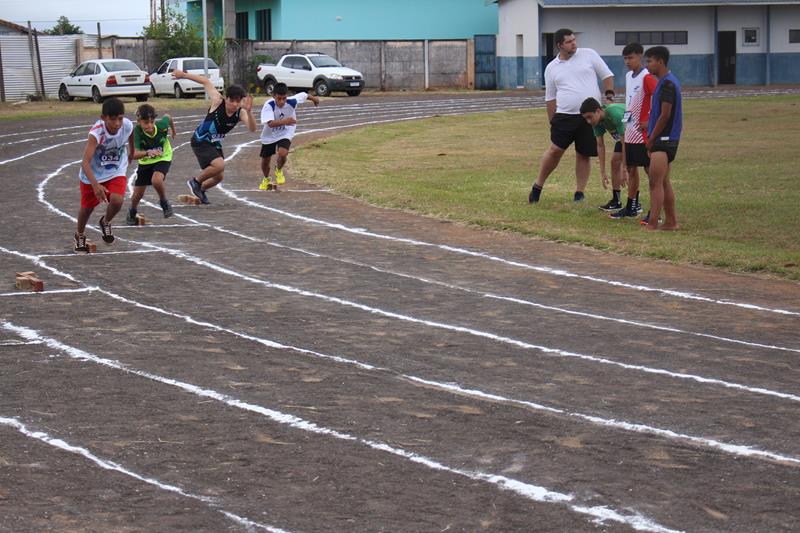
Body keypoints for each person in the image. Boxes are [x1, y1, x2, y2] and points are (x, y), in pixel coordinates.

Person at [529, 28, 614, 204]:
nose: (574, 43)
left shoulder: (588, 54)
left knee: (583, 154)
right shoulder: (551, 67)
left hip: (589, 117)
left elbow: (607, 75)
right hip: (565, 116)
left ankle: (579, 192)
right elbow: (550, 98)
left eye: (574, 40)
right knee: (554, 151)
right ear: (559, 45)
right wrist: (552, 121)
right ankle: (537, 187)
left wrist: (609, 97)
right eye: (569, 41)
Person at [176, 69, 256, 204]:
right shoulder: (218, 101)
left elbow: (253, 129)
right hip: (201, 140)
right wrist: (183, 75)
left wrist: (249, 112)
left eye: (238, 101)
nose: (235, 104)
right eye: (232, 101)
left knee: (219, 177)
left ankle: (200, 189)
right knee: (219, 165)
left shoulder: (241, 113)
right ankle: (195, 182)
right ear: (226, 98)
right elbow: (205, 81)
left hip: (214, 143)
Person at [74, 97, 134, 253]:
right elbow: (85, 162)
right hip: (92, 174)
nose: (117, 123)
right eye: (112, 119)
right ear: (103, 118)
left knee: (117, 200)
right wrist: (95, 185)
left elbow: (131, 134)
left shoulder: (126, 125)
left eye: (120, 118)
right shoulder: (96, 133)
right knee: (87, 209)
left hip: (115, 169)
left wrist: (131, 153)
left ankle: (105, 221)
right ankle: (80, 234)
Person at [613, 42, 657, 220]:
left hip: (643, 134)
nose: (627, 61)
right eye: (625, 58)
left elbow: (659, 99)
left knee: (650, 171)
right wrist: (625, 125)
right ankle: (631, 206)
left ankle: (655, 211)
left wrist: (650, 121)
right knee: (631, 169)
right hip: (631, 132)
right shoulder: (629, 76)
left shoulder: (647, 77)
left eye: (630, 57)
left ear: (640, 56)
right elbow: (629, 104)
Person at [644, 46, 682, 231]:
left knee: (655, 181)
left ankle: (652, 223)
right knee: (664, 181)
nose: (647, 65)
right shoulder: (664, 82)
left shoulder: (667, 84)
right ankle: (671, 222)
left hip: (664, 139)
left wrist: (651, 138)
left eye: (649, 61)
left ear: (660, 61)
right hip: (665, 137)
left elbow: (665, 115)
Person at [259, 82, 319, 191]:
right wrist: (286, 121)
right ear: (273, 96)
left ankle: (279, 170)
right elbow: (270, 123)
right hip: (270, 134)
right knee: (265, 160)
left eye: (284, 98)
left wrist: (314, 99)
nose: (282, 101)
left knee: (283, 153)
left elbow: (304, 95)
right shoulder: (269, 105)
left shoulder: (292, 101)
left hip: (285, 132)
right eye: (279, 99)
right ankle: (266, 178)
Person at [126, 104, 177, 224]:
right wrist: (148, 152)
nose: (149, 125)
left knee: (156, 180)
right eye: (145, 122)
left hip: (163, 157)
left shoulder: (161, 126)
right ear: (139, 121)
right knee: (137, 194)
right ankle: (132, 211)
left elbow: (168, 117)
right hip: (145, 161)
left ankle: (164, 202)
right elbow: (133, 155)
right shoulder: (136, 132)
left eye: (152, 122)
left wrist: (173, 130)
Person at [579, 98, 627, 212]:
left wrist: (625, 169)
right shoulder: (597, 122)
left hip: (635, 133)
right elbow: (600, 145)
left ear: (598, 111)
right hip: (623, 138)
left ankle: (634, 203)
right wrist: (603, 172)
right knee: (614, 162)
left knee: (632, 167)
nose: (588, 121)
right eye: (586, 119)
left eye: (590, 117)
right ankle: (616, 201)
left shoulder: (614, 114)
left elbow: (626, 144)